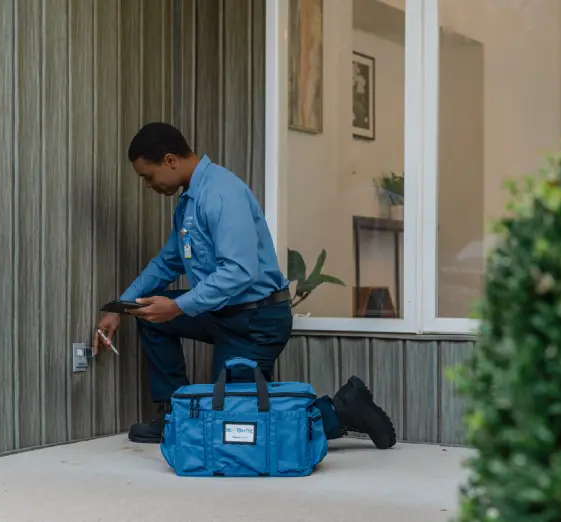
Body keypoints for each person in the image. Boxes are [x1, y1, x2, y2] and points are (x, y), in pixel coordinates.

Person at [94, 122, 397, 449]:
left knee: (237, 429)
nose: (148, 185)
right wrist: (122, 307)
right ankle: (176, 416)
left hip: (256, 320)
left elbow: (238, 272)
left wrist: (179, 307)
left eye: (147, 176)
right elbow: (168, 261)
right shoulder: (190, 202)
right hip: (221, 311)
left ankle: (342, 410)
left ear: (169, 160)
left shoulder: (221, 193)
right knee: (149, 313)